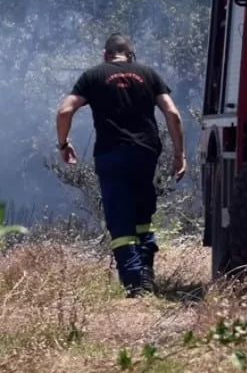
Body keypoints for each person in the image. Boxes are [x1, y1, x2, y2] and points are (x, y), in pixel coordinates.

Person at [55, 33, 186, 297]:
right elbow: (172, 113)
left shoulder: (93, 76)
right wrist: (179, 154)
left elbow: (65, 111)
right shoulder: (148, 74)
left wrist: (63, 144)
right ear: (130, 55)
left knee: (120, 221)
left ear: (106, 54)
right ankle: (146, 276)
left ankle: (135, 284)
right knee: (142, 217)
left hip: (111, 156)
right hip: (145, 154)